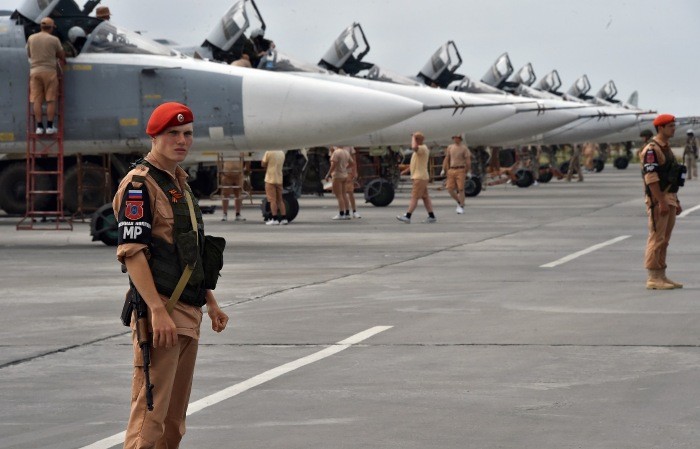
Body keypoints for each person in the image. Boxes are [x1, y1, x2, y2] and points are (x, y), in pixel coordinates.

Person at [112, 102, 229, 448]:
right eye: (173, 133)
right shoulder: (139, 185)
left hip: (189, 312)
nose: (182, 140)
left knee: (174, 423)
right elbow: (132, 253)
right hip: (162, 311)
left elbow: (190, 252)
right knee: (150, 420)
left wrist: (211, 302)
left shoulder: (178, 183)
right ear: (154, 137)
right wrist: (157, 310)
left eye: (187, 133)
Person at [640, 113, 684, 290]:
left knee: (665, 239)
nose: (674, 129)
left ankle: (661, 274)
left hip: (669, 196)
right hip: (658, 199)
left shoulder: (666, 148)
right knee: (656, 238)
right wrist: (661, 202)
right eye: (670, 126)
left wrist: (675, 200)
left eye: (673, 125)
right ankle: (653, 277)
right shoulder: (652, 149)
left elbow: (671, 176)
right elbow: (651, 178)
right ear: (661, 128)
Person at [26, 17, 65, 136]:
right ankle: (49, 126)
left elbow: (29, 54)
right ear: (51, 28)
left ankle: (39, 127)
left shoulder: (31, 38)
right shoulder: (54, 39)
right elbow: (61, 55)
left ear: (41, 27)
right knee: (51, 100)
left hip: (35, 72)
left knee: (36, 100)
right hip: (49, 72)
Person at [397, 132, 436, 224]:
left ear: (418, 140)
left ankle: (408, 216)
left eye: (415, 139)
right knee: (425, 197)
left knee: (414, 197)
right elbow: (415, 163)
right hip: (421, 177)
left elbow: (414, 147)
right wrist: (406, 171)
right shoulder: (419, 150)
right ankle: (431, 216)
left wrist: (413, 137)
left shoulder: (422, 148)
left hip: (420, 178)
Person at [441, 135, 471, 214]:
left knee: (461, 189)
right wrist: (443, 169)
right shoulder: (450, 147)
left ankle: (461, 206)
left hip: (460, 169)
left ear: (460, 139)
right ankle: (459, 201)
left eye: (457, 137)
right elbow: (447, 158)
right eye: (454, 137)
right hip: (451, 169)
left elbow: (468, 160)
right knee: (449, 189)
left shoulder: (464, 148)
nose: (455, 139)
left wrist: (467, 171)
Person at [325, 146, 353, 220]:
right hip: (345, 175)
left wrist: (328, 174)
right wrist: (344, 168)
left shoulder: (336, 153)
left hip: (337, 176)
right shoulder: (346, 152)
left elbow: (333, 165)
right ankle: (347, 213)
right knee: (344, 194)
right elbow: (352, 163)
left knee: (339, 195)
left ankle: (341, 213)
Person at [261, 150, 288, 225]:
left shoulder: (268, 152)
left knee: (272, 200)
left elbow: (263, 164)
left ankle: (274, 218)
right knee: (280, 200)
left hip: (270, 179)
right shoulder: (282, 152)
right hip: (279, 179)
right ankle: (284, 218)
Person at [342, 146, 361, 218]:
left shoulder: (349, 146)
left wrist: (355, 172)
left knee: (350, 192)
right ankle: (345, 212)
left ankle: (354, 211)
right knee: (342, 194)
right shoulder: (333, 146)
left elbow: (353, 160)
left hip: (348, 172)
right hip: (339, 173)